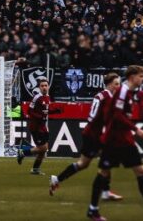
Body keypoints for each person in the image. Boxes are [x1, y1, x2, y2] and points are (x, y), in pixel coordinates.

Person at [90, 65, 143, 220]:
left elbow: (114, 114)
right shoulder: (123, 91)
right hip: (114, 140)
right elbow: (118, 115)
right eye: (141, 76)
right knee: (103, 173)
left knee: (141, 172)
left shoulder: (127, 92)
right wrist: (136, 129)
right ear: (132, 76)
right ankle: (93, 210)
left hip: (124, 139)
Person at [51, 72, 122, 202]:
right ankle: (105, 192)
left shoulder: (110, 97)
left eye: (119, 84)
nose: (119, 86)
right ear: (109, 84)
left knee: (83, 164)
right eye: (116, 84)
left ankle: (57, 179)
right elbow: (92, 116)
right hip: (94, 135)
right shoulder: (103, 96)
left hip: (94, 134)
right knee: (105, 159)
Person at [19, 76, 52, 174]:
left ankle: (35, 169)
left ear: (48, 86)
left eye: (46, 85)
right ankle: (23, 152)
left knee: (43, 150)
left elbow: (45, 111)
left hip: (43, 126)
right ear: (39, 87)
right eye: (42, 86)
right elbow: (29, 111)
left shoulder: (47, 97)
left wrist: (55, 111)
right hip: (36, 127)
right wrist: (40, 117)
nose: (44, 87)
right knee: (43, 148)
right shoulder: (37, 97)